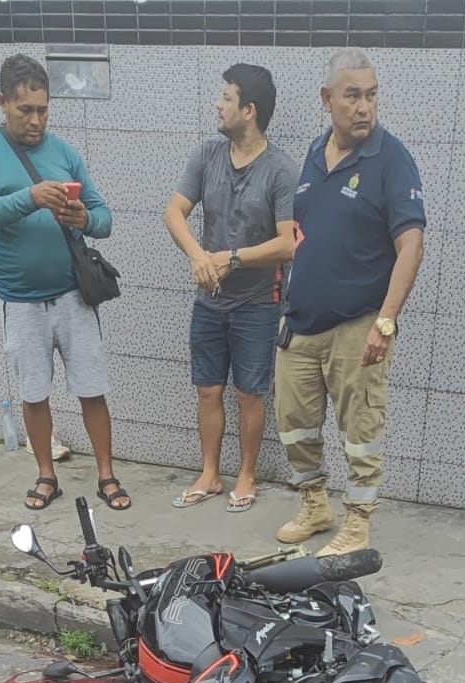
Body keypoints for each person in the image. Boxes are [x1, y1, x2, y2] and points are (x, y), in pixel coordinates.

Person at [0, 54, 130, 513]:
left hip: (75, 294)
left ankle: (107, 474)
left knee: (92, 388)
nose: (36, 120)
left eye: (43, 109)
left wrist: (84, 219)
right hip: (20, 299)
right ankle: (46, 475)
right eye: (25, 110)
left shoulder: (64, 152)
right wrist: (31, 197)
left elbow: (104, 217)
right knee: (33, 393)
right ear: (2, 101)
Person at [274, 49, 426, 555]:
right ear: (327, 99)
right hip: (301, 323)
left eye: (372, 95)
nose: (364, 107)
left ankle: (357, 524)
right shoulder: (314, 154)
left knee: (361, 431)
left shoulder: (391, 158)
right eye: (352, 96)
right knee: (294, 425)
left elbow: (411, 245)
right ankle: (314, 505)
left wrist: (386, 322)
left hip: (359, 326)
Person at [164, 64, 299, 514]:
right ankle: (209, 473)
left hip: (259, 303)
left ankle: (246, 475)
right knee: (207, 389)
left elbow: (288, 244)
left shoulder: (281, 169)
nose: (217, 105)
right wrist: (198, 256)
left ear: (249, 110)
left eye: (226, 97)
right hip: (209, 301)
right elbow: (174, 213)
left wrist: (232, 258)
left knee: (249, 393)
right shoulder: (207, 155)